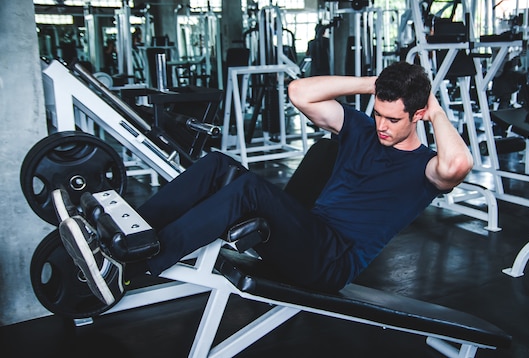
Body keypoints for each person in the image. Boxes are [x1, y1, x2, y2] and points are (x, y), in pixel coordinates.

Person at [58, 61, 473, 306]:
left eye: (394, 118)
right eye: (379, 113)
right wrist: (375, 85)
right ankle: (131, 234)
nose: (382, 125)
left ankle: (132, 270)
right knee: (219, 164)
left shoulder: (424, 168)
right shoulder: (361, 127)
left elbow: (458, 164)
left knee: (248, 191)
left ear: (416, 116)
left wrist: (435, 110)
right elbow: (299, 92)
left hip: (331, 261)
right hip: (304, 235)